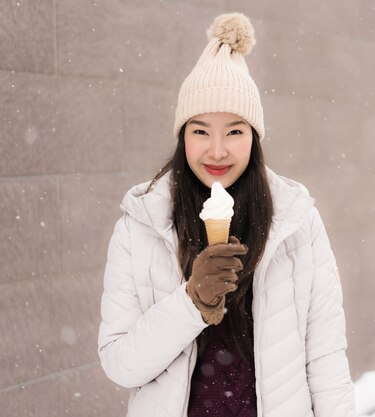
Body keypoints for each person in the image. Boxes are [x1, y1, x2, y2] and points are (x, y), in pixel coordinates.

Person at [97, 12, 356, 417]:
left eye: (234, 131)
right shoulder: (142, 223)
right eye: (200, 131)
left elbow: (326, 358)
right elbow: (120, 365)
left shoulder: (295, 222)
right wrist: (192, 302)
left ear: (254, 136)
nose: (217, 150)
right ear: (182, 135)